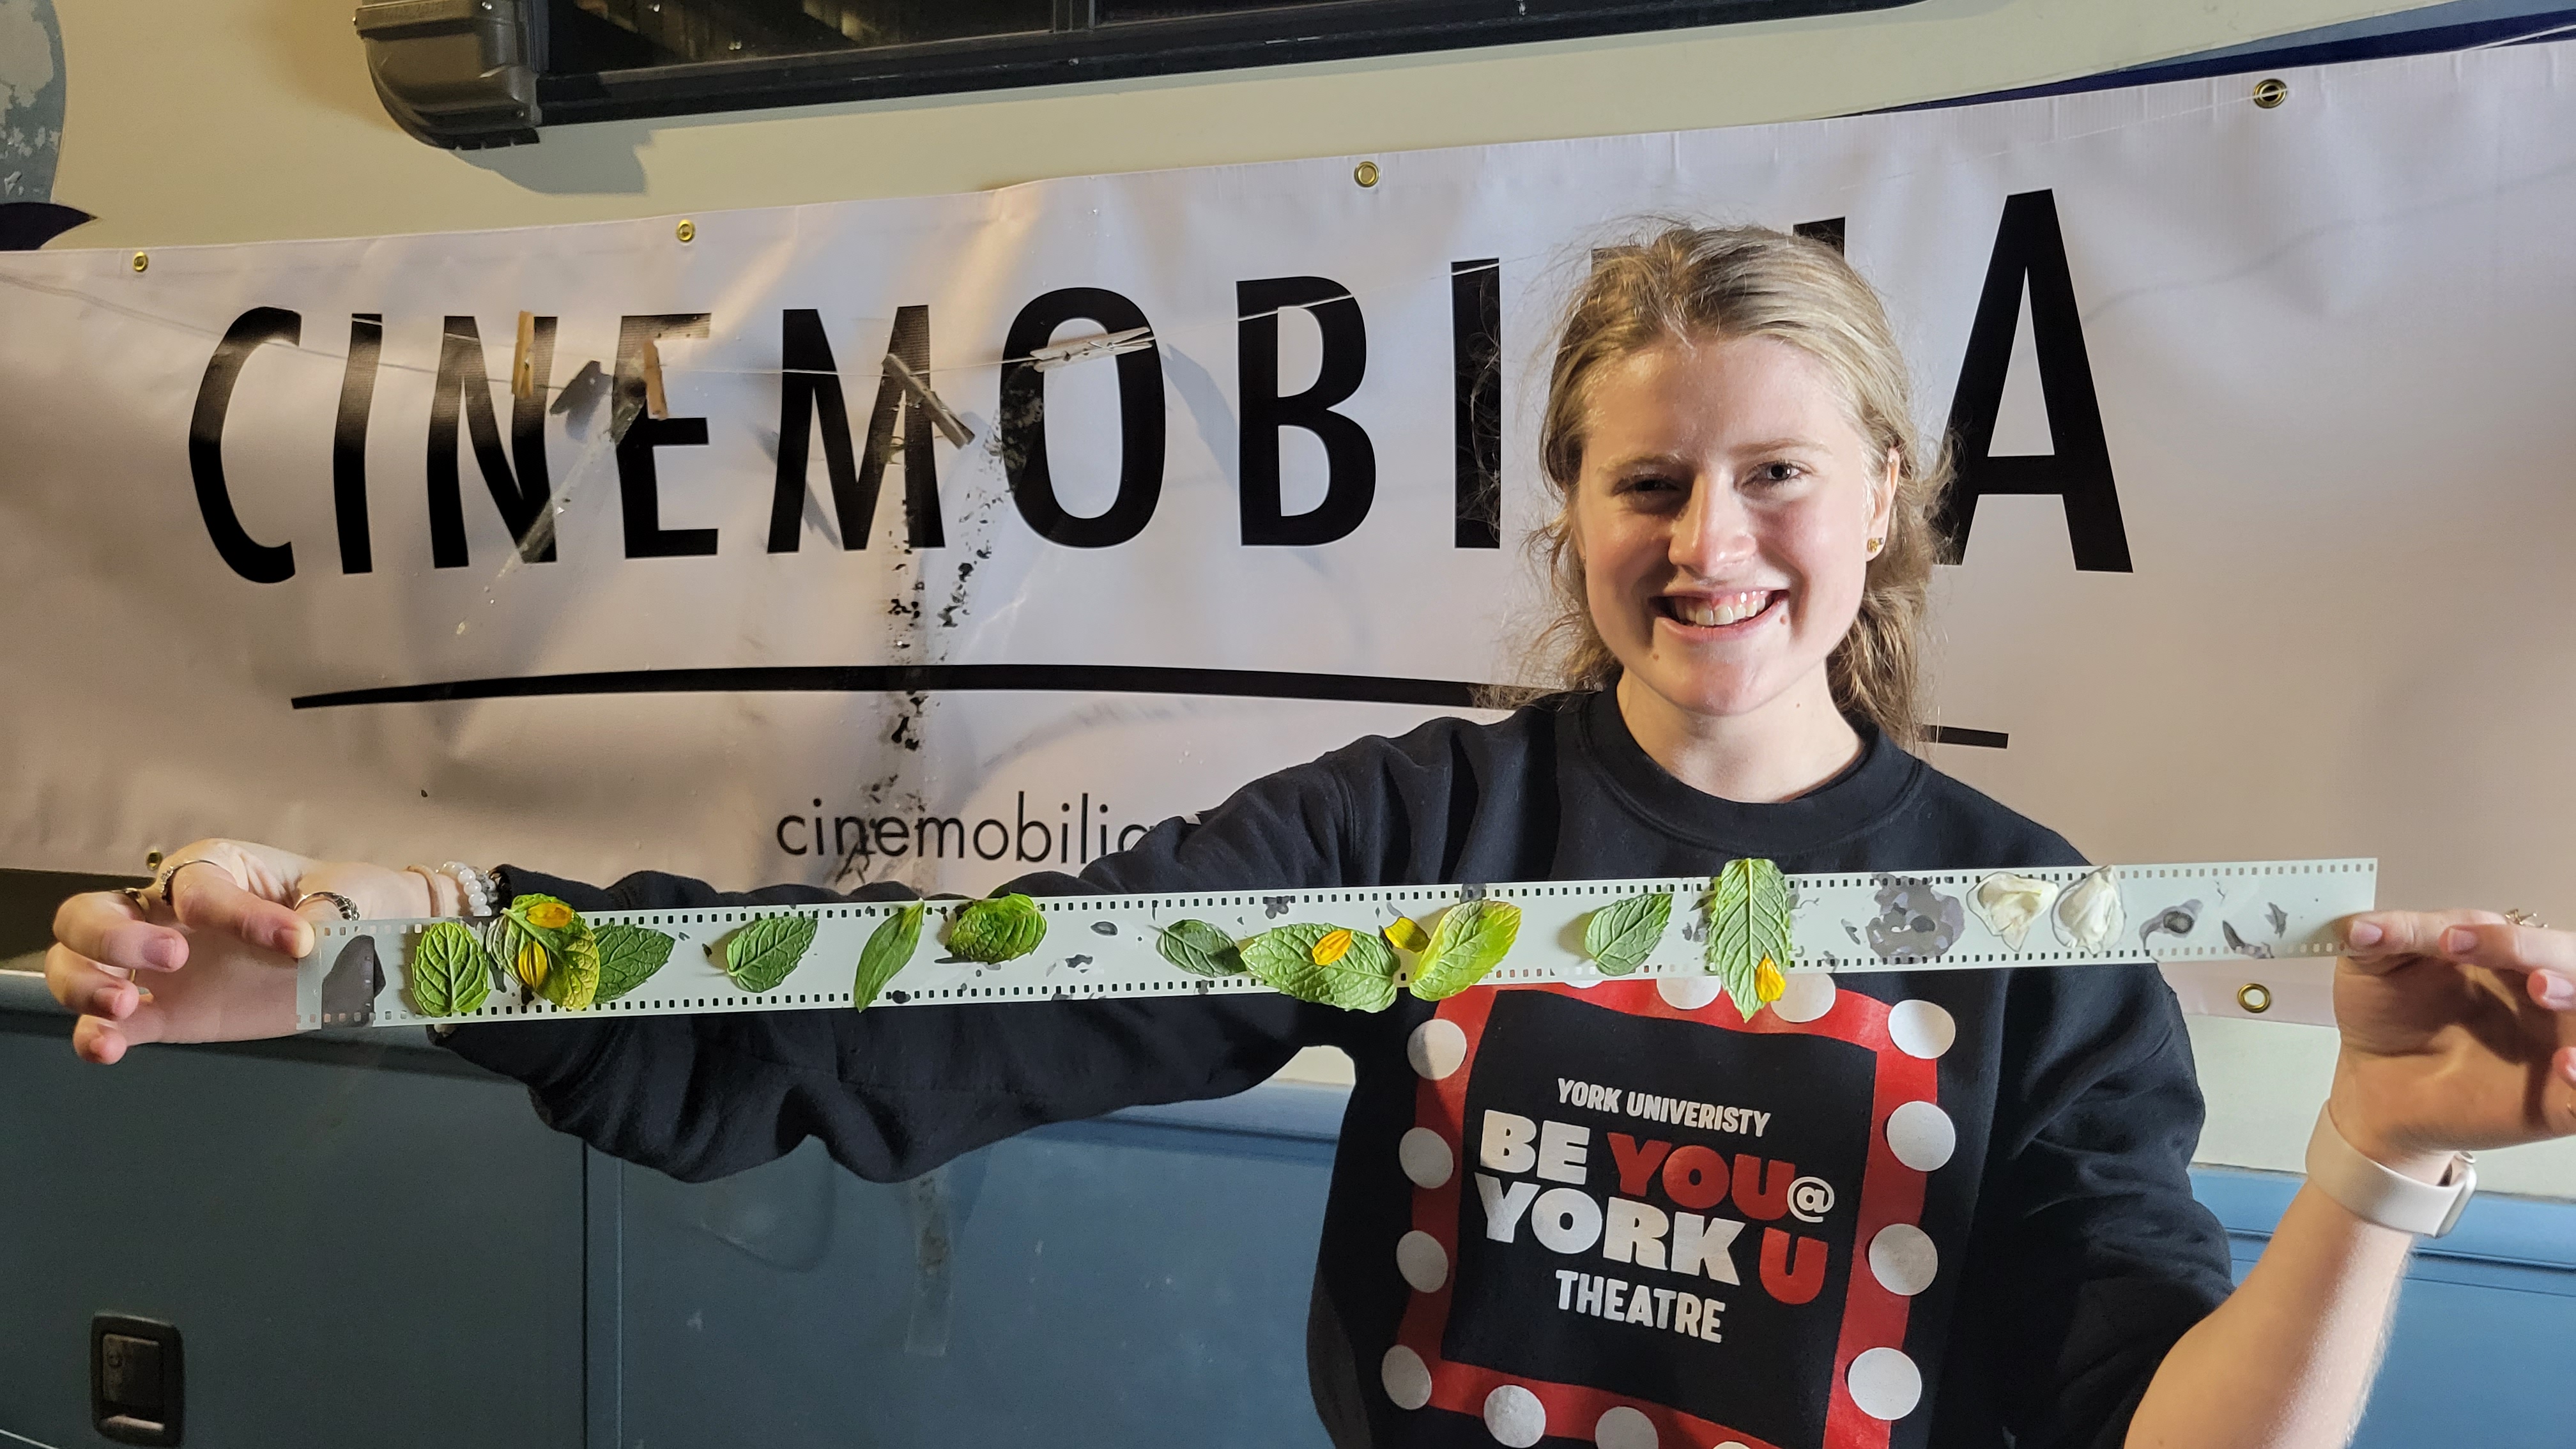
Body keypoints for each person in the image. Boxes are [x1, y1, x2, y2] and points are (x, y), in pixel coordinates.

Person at [45, 226, 2576, 1449]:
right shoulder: (1424, 834)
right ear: (1573, 506)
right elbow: (917, 1016)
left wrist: (2366, 1166)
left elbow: (2171, 1431)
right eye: (1648, 481)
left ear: (1890, 495)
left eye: (1775, 474)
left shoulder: (2034, 944)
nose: (1712, 544)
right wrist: (423, 958)